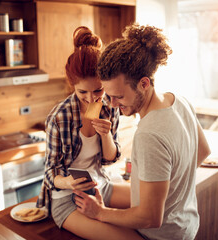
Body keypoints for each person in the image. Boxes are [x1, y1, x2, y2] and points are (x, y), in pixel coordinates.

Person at [73, 24, 211, 240]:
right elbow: (203, 151)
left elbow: (150, 218)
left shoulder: (148, 135)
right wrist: (164, 188)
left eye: (119, 96)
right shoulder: (179, 101)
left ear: (144, 83)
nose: (113, 104)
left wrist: (100, 213)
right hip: (186, 226)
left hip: (160, 236)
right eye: (108, 96)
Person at [36, 26, 143, 240]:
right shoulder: (59, 118)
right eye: (82, 92)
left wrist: (105, 135)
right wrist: (68, 183)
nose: (91, 98)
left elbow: (110, 159)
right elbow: (50, 172)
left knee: (148, 211)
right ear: (72, 85)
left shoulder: (109, 106)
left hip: (101, 185)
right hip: (67, 199)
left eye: (98, 90)